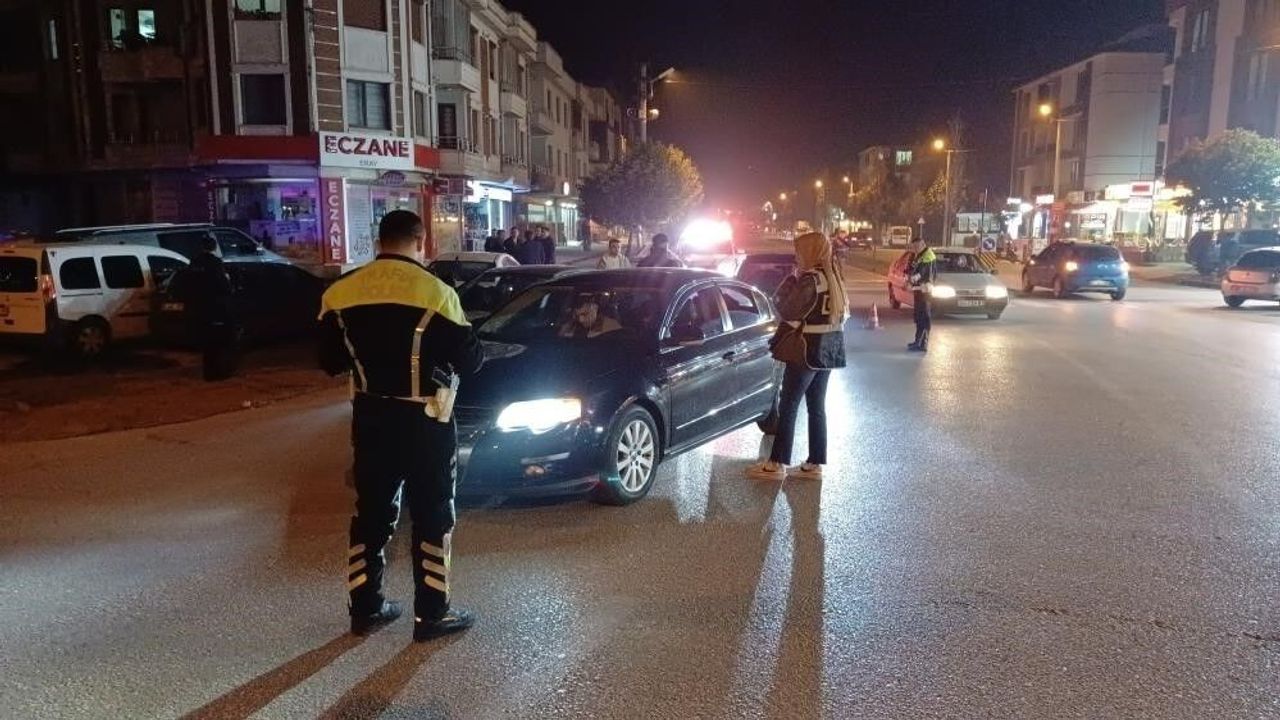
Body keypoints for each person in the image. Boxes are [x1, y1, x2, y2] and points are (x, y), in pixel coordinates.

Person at [318, 210, 484, 642]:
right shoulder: (438, 292)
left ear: (379, 241)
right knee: (432, 513)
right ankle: (432, 614)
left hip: (370, 417)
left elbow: (329, 361)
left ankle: (365, 607)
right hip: (425, 421)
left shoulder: (339, 293)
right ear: (421, 240)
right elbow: (472, 359)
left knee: (371, 512)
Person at [747, 232, 847, 482]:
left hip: (806, 350)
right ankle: (814, 463)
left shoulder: (810, 280)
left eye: (799, 252)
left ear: (811, 252)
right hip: (828, 351)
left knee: (788, 404)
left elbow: (787, 309)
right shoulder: (833, 278)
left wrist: (791, 280)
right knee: (817, 407)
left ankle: (776, 463)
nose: (797, 257)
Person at [186, 235, 238, 382]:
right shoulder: (215, 263)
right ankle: (218, 373)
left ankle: (208, 373)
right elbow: (223, 285)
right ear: (214, 247)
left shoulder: (194, 262)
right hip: (215, 308)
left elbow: (190, 284)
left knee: (207, 344)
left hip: (200, 308)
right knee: (219, 342)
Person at [905, 236, 937, 352]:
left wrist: (911, 280)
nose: (915, 249)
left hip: (925, 291)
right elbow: (912, 269)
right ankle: (917, 341)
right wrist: (907, 276)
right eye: (913, 246)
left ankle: (922, 344)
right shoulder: (919, 255)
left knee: (924, 317)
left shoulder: (928, 255)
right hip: (919, 290)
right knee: (918, 317)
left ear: (923, 245)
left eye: (916, 246)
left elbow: (922, 273)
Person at [558, 295, 623, 338]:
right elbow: (560, 341)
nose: (581, 318)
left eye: (585, 314)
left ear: (596, 307)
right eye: (579, 304)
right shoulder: (568, 326)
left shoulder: (612, 325)